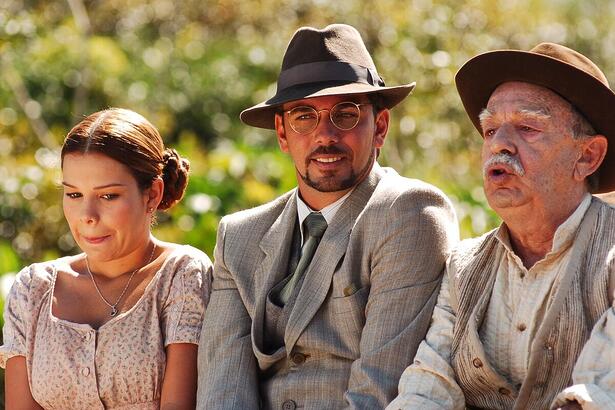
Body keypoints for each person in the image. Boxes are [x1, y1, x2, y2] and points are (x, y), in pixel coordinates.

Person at [197, 23, 458, 409]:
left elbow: (379, 391)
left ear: (380, 126)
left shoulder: (409, 213)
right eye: (304, 116)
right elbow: (223, 389)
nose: (326, 135)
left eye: (346, 114)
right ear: (282, 134)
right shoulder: (239, 237)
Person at [388, 43, 615, 410]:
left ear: (587, 156)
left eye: (527, 128)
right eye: (491, 129)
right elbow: (427, 387)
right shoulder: (464, 266)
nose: (500, 147)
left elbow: (603, 395)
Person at [1, 108, 212, 409]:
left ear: (152, 194)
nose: (87, 216)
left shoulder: (181, 274)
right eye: (74, 195)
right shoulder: (32, 289)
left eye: (108, 196)